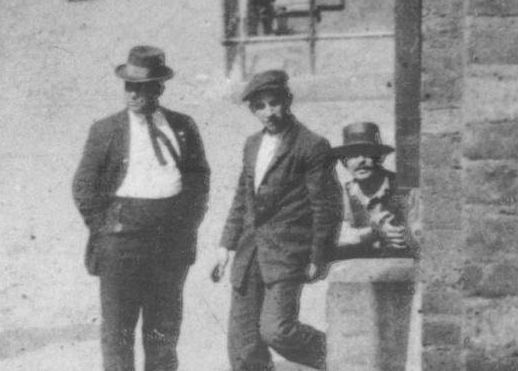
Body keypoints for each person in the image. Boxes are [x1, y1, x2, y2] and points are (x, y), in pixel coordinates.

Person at [71, 46, 211, 371]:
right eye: (129, 87)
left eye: (142, 87)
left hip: (170, 241)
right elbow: (83, 187)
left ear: (159, 88)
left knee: (163, 331)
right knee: (118, 331)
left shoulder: (182, 125)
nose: (134, 94)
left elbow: (199, 177)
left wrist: (187, 223)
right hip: (122, 241)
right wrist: (107, 228)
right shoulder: (106, 130)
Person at [213, 69, 340, 371]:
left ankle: (342, 353)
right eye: (260, 106)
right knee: (244, 346)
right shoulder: (252, 144)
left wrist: (318, 255)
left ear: (288, 101)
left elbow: (325, 207)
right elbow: (243, 198)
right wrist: (225, 245)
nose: (268, 112)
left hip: (287, 253)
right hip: (249, 253)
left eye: (274, 103)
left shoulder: (311, 145)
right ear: (252, 109)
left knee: (276, 330)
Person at [330, 123, 413, 260]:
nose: (361, 161)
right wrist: (374, 233)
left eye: (367, 153)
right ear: (345, 163)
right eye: (353, 156)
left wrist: (406, 235)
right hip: (359, 269)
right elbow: (332, 237)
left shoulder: (403, 188)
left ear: (379, 157)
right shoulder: (342, 194)